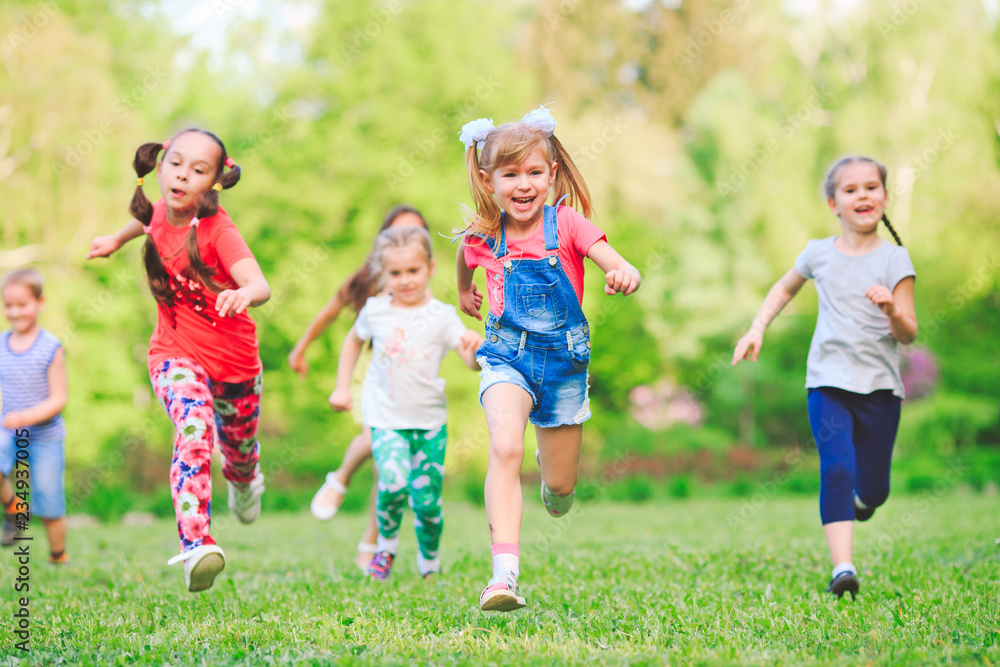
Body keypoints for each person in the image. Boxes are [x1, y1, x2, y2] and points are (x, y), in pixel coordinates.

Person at [455, 106, 641, 611]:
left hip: (562, 367)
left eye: (534, 172)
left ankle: (552, 472)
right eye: (510, 174)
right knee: (505, 448)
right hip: (505, 360)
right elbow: (464, 259)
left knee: (559, 491)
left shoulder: (569, 223)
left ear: (552, 174)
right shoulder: (482, 235)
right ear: (487, 178)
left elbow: (620, 263)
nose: (523, 185)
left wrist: (623, 274)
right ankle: (504, 576)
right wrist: (463, 293)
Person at [87, 129, 271, 593]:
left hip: (235, 368)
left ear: (213, 183)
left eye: (198, 169)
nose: (183, 174)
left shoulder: (218, 231)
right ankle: (196, 545)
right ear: (161, 164)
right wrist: (114, 238)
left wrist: (243, 292)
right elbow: (147, 222)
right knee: (193, 427)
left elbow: (260, 284)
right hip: (174, 353)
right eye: (176, 163)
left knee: (239, 453)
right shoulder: (157, 210)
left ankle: (245, 479)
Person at [732, 156, 918, 600]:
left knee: (874, 489)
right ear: (834, 202)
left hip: (880, 389)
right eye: (851, 190)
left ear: (885, 197)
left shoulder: (895, 259)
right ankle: (842, 568)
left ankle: (863, 503)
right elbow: (783, 288)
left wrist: (892, 309)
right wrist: (758, 327)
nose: (863, 196)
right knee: (836, 468)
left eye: (872, 187)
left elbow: (909, 332)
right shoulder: (818, 253)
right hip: (828, 383)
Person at [329, 226, 483, 581]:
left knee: (427, 503)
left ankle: (429, 561)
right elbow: (353, 341)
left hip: (430, 423)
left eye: (412, 271)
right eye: (395, 273)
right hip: (386, 420)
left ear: (430, 268)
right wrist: (342, 387)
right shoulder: (375, 311)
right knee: (393, 483)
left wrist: (475, 350)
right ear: (383, 275)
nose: (405, 280)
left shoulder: (442, 315)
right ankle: (385, 547)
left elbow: (469, 360)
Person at [291, 206, 428, 571]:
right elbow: (330, 311)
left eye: (415, 235)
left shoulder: (421, 282)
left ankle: (369, 538)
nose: (404, 243)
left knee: (388, 468)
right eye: (396, 235)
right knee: (376, 439)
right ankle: (342, 481)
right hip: (373, 374)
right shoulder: (370, 279)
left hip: (410, 383)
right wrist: (301, 348)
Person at [0, 269, 69, 563]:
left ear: (40, 302)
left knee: (49, 500)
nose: (15, 312)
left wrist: (27, 416)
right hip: (9, 430)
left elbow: (59, 398)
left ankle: (58, 556)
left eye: (22, 304)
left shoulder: (50, 347)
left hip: (45, 435)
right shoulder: (1, 344)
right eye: (8, 305)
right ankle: (15, 510)